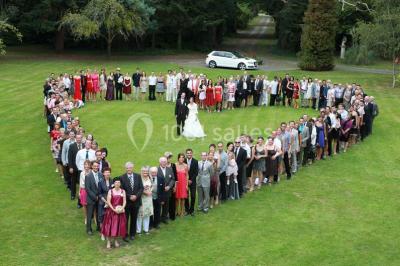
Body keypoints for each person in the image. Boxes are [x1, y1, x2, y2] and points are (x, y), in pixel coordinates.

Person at [120, 161, 143, 242]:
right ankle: (125, 234)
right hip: (127, 202)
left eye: (130, 167)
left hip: (136, 202)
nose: (128, 169)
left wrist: (136, 196)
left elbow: (141, 188)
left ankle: (132, 234)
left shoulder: (138, 176)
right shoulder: (122, 177)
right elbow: (122, 190)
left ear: (132, 168)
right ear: (125, 168)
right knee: (125, 219)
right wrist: (130, 196)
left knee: (134, 218)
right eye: (127, 168)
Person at [101, 177, 127, 249]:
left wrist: (122, 208)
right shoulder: (110, 191)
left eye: (119, 182)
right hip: (111, 211)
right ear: (114, 183)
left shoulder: (123, 191)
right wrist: (114, 209)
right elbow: (108, 201)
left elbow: (124, 201)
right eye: (116, 182)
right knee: (109, 227)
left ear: (120, 183)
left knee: (117, 227)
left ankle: (115, 240)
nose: (117, 184)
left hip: (120, 211)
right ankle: (108, 241)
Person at [85, 161, 103, 235]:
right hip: (91, 198)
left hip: (99, 198)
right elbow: (87, 189)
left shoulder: (100, 175)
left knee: (99, 213)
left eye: (97, 166)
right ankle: (89, 229)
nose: (96, 167)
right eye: (94, 166)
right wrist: (94, 197)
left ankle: (99, 227)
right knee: (90, 214)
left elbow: (101, 186)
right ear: (91, 166)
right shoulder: (88, 176)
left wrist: (99, 196)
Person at [137, 166, 153, 235]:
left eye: (146, 172)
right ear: (142, 172)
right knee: (140, 214)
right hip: (142, 198)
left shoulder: (150, 178)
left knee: (147, 214)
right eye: (144, 172)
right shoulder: (139, 178)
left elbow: (152, 186)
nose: (145, 173)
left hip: (149, 198)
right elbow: (138, 188)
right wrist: (144, 192)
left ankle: (146, 229)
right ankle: (138, 230)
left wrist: (150, 191)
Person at [158, 157, 175, 223]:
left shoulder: (169, 169)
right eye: (162, 161)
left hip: (167, 191)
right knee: (158, 206)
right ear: (159, 162)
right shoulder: (156, 169)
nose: (164, 163)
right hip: (159, 192)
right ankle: (157, 219)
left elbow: (173, 179)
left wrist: (169, 186)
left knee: (166, 205)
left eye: (165, 161)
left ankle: (164, 218)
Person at [98, 167, 113, 241]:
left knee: (110, 218)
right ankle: (102, 233)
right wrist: (105, 201)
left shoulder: (113, 181)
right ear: (103, 173)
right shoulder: (100, 182)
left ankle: (109, 232)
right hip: (102, 203)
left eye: (108, 172)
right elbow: (99, 194)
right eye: (106, 172)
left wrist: (110, 202)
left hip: (111, 203)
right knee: (102, 218)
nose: (107, 173)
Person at [184, 148, 198, 216]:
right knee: (186, 196)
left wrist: (191, 180)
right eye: (188, 153)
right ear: (186, 154)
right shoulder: (183, 161)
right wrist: (187, 180)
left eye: (190, 153)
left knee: (193, 196)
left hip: (192, 182)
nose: (189, 154)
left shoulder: (195, 161)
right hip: (185, 182)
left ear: (192, 153)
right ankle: (187, 210)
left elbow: (196, 172)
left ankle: (191, 210)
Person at [79, 160, 91, 225]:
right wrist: (79, 192)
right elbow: (81, 183)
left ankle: (92, 217)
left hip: (90, 191)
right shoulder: (82, 173)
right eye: (85, 165)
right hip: (83, 190)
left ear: (90, 166)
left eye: (87, 165)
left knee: (91, 205)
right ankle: (86, 218)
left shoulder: (91, 172)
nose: (86, 166)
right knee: (84, 205)